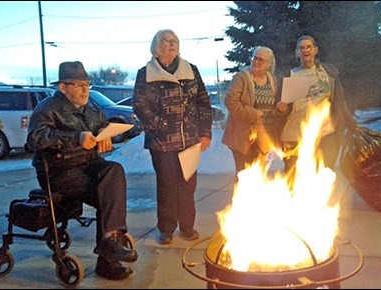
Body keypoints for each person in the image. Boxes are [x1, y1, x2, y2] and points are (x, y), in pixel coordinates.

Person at [26, 61, 138, 281]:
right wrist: (76, 139)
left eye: (86, 84)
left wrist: (104, 136)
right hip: (59, 171)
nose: (85, 89)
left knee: (114, 170)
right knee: (107, 192)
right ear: (62, 87)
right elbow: (35, 139)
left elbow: (101, 128)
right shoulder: (47, 108)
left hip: (88, 165)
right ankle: (109, 255)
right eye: (78, 85)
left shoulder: (91, 109)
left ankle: (109, 242)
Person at [132, 29, 212, 245]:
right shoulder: (146, 73)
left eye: (174, 40)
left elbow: (203, 102)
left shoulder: (190, 70)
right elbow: (139, 105)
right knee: (167, 185)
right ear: (157, 47)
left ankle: (187, 226)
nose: (171, 43)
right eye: (166, 40)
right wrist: (161, 125)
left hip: (190, 141)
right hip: (162, 142)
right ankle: (166, 228)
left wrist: (205, 132)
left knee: (188, 185)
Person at [276, 35, 356, 181]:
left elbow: (339, 100)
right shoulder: (291, 75)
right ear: (297, 53)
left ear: (315, 50)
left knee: (324, 174)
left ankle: (319, 203)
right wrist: (281, 108)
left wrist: (350, 123)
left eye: (308, 47)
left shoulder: (328, 73)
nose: (305, 50)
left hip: (326, 133)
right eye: (301, 48)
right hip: (295, 133)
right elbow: (282, 104)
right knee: (292, 175)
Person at [222, 46, 286, 179]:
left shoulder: (273, 81)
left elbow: (273, 107)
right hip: (243, 136)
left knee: (259, 175)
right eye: (254, 58)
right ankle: (240, 200)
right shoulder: (242, 78)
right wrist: (252, 113)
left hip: (264, 135)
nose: (256, 62)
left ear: (269, 65)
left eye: (260, 60)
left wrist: (278, 109)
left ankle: (256, 200)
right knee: (244, 175)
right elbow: (230, 101)